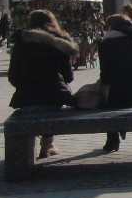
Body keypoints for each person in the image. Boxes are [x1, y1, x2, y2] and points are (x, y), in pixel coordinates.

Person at [7, 10, 79, 159]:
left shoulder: (21, 42)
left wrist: (25, 85)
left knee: (33, 107)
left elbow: (13, 76)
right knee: (51, 102)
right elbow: (69, 77)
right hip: (55, 98)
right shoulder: (60, 42)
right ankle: (48, 144)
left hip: (26, 99)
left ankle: (36, 147)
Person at [98, 6, 132, 152]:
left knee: (106, 96)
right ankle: (118, 133)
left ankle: (112, 140)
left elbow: (105, 74)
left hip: (118, 94)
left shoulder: (106, 44)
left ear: (112, 27)